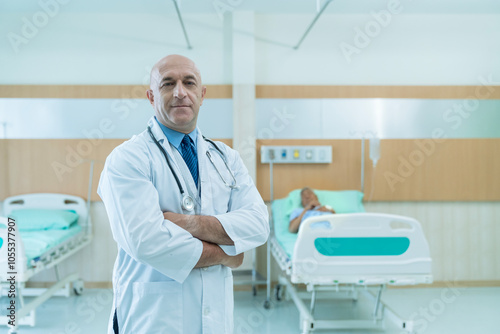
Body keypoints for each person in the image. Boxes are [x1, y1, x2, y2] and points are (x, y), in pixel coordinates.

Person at [98, 54, 269, 334]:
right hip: (153, 319)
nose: (180, 92)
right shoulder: (128, 159)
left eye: (189, 83)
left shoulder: (226, 158)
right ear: (151, 97)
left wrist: (187, 223)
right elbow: (146, 241)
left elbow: (258, 224)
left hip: (215, 318)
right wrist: (226, 255)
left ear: (201, 95)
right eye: (168, 84)